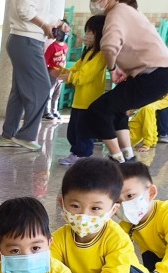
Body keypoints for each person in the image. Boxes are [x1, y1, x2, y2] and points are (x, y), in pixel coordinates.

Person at [84, 0, 168, 163]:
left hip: (154, 75)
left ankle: (117, 158)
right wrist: (125, 70)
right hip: (161, 73)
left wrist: (112, 69)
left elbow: (109, 46)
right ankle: (128, 156)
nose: (94, 2)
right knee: (118, 110)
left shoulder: (116, 12)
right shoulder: (128, 12)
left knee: (98, 110)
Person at [0, 0, 66, 153]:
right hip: (27, 40)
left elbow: (39, 11)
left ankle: (7, 136)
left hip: (26, 41)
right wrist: (44, 26)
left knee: (19, 92)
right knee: (43, 87)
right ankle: (26, 136)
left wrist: (59, 23)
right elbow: (24, 9)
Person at [57, 15, 106, 165]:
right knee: (73, 131)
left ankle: (83, 156)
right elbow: (76, 68)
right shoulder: (88, 52)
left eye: (91, 31)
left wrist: (70, 77)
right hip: (79, 101)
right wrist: (62, 71)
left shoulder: (101, 54)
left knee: (84, 131)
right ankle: (76, 153)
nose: (87, 34)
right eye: (87, 31)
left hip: (89, 101)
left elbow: (85, 75)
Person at [43, 26, 68, 122]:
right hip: (52, 73)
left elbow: (64, 58)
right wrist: (49, 70)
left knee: (57, 94)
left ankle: (54, 110)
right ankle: (46, 111)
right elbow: (45, 60)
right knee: (49, 93)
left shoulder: (65, 46)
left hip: (60, 74)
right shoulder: (52, 46)